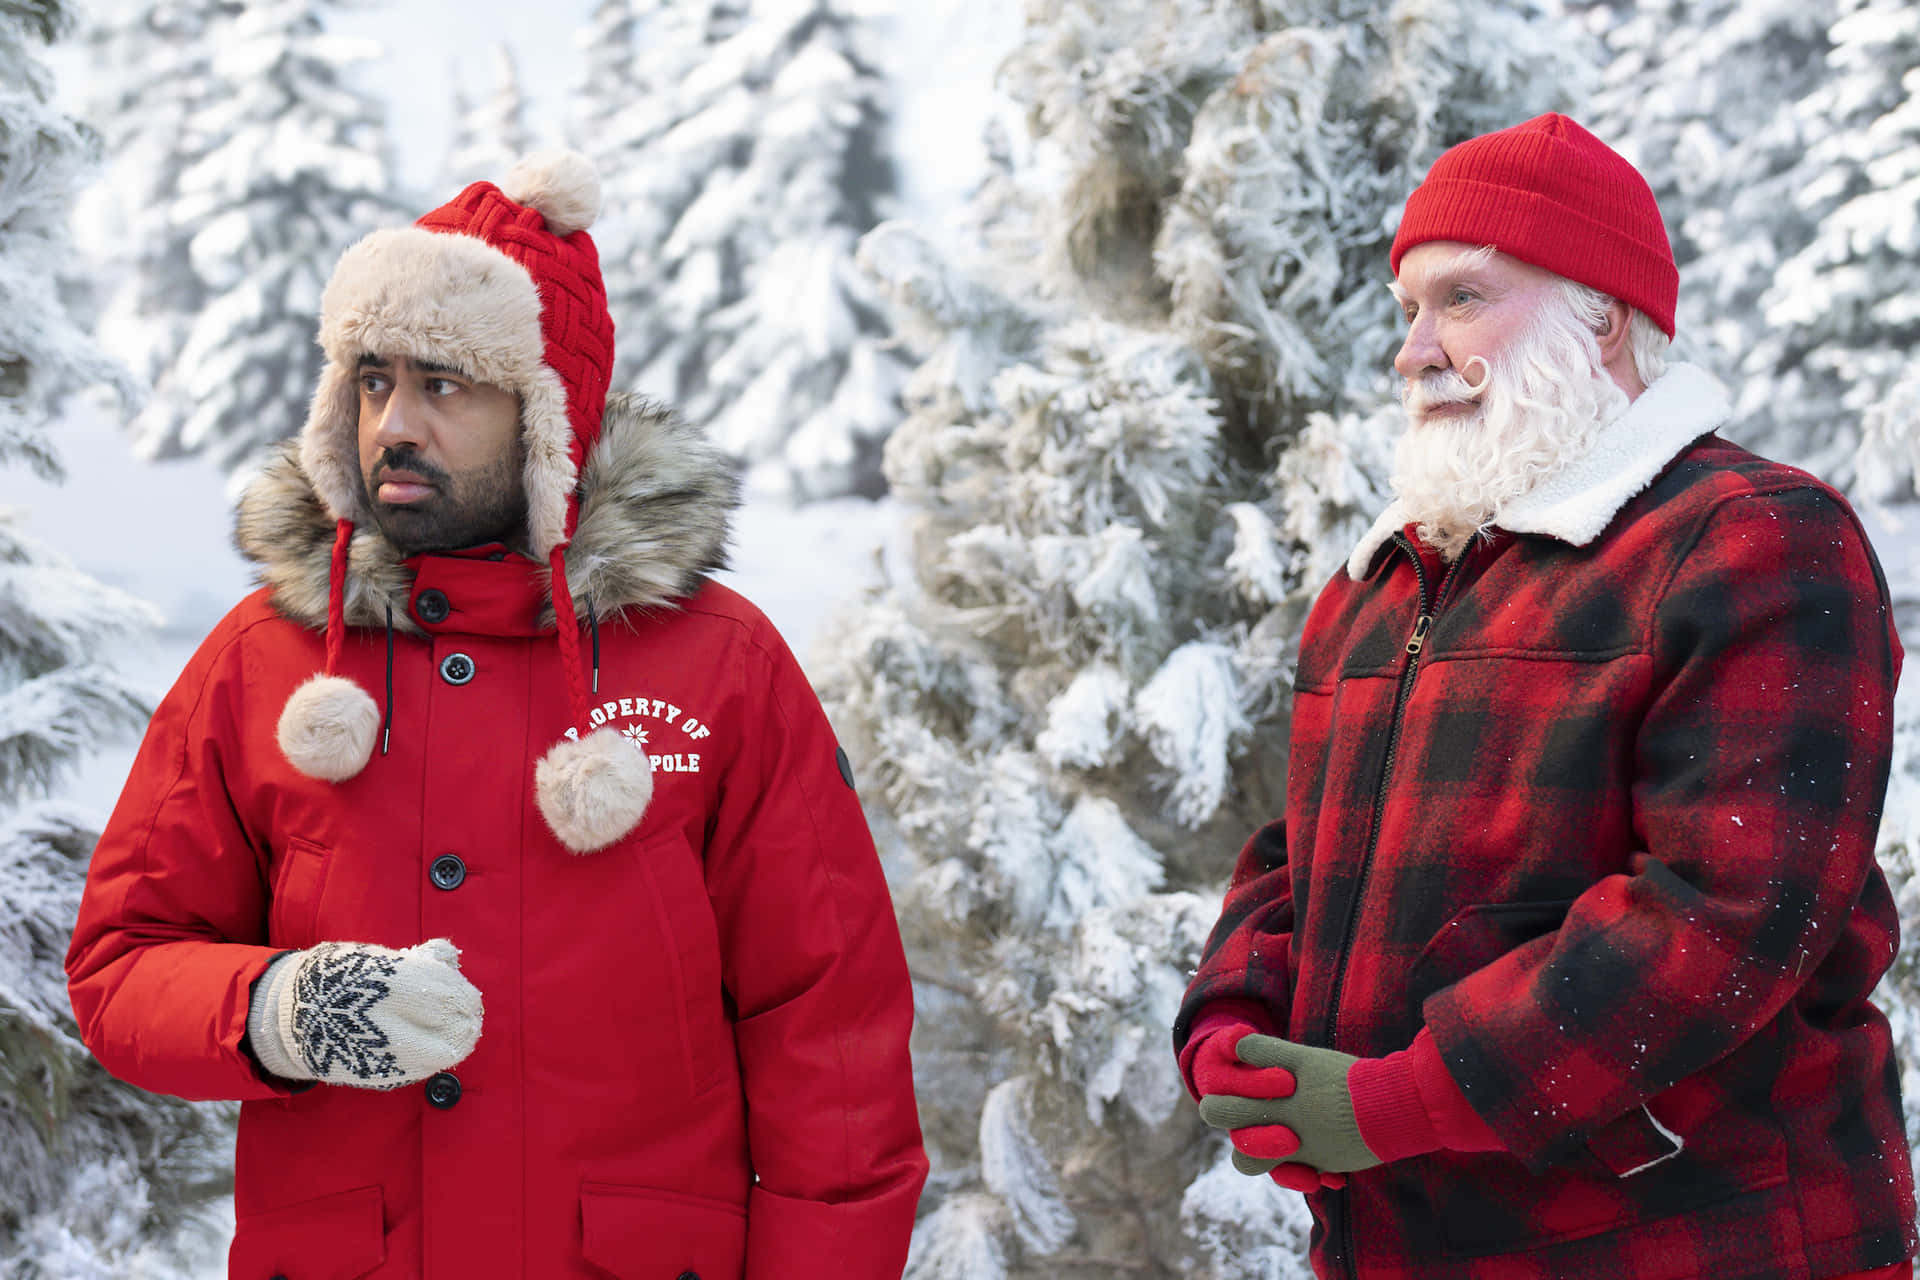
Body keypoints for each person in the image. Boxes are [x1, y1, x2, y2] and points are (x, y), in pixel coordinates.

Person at [66, 152, 927, 1279]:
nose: (394, 424)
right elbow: (121, 966)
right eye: (373, 381)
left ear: (547, 417)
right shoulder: (260, 660)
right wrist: (282, 1008)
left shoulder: (720, 664)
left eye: (445, 383)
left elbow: (833, 1037)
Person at [1173, 113, 1916, 1280]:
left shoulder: (1754, 537)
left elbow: (1729, 912)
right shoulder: (1378, 583)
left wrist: (1405, 1097)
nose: (1414, 350)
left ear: (1604, 311)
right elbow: (1296, 853)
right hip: (1408, 1245)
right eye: (1408, 308)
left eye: (1463, 298)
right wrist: (1232, 1026)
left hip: (1696, 1244)